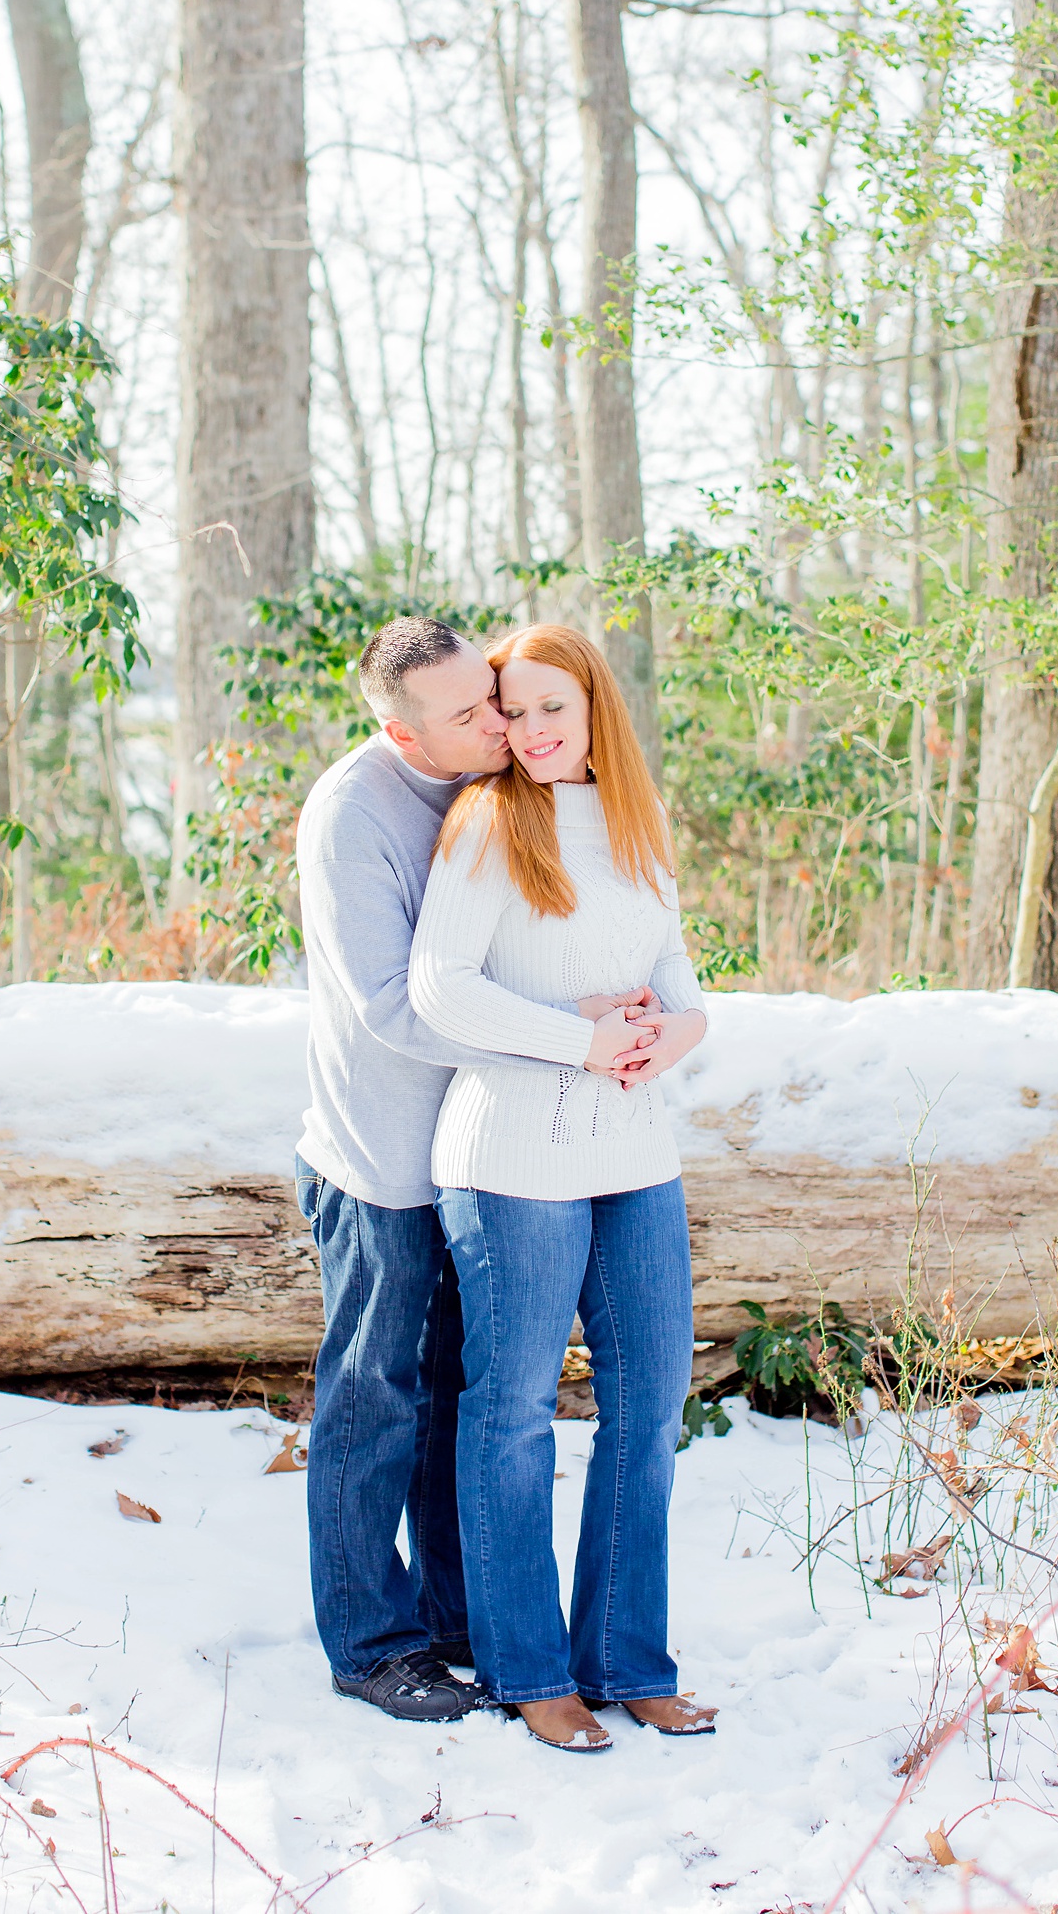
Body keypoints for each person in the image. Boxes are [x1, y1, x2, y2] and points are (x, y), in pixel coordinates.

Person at [293, 617, 663, 1723]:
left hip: (482, 1151)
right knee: (374, 1400)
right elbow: (400, 1005)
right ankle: (370, 1643)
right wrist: (573, 1034)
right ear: (408, 736)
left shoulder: (504, 782)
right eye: (471, 714)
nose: (501, 721)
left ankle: (462, 1617)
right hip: (380, 1157)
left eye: (494, 696)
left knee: (466, 1390)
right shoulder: (353, 815)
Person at [407, 622, 716, 1754]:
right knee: (515, 1415)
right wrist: (574, 1043)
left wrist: (666, 1032)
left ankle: (631, 1661)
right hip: (512, 1160)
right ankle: (530, 1673)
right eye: (513, 710)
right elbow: (439, 990)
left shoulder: (632, 821)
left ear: (594, 709)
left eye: (551, 708)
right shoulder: (491, 821)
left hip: (634, 1153)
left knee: (646, 1411)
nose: (529, 731)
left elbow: (678, 979)